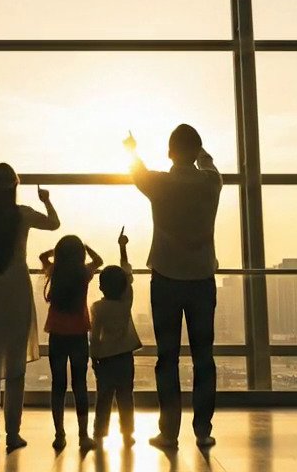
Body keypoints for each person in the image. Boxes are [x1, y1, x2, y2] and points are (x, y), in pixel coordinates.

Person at [123, 125, 221, 450]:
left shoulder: (159, 183)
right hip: (202, 279)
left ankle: (169, 433)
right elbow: (208, 163)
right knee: (203, 358)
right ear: (196, 152)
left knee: (168, 358)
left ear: (169, 153)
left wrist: (132, 147)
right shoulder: (211, 183)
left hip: (165, 279)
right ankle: (203, 430)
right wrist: (202, 153)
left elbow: (135, 169)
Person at [0, 163, 61, 453]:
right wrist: (47, 201)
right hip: (16, 288)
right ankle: (13, 432)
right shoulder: (24, 214)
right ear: (14, 187)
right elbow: (54, 224)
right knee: (15, 367)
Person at [39, 235, 103, 452]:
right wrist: (87, 247)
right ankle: (83, 436)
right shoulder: (83, 273)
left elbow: (41, 256)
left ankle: (59, 435)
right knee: (79, 385)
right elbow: (99, 260)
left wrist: (54, 253)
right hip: (78, 334)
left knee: (58, 384)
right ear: (80, 255)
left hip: (56, 333)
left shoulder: (55, 271)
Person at [90, 228, 142, 446]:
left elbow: (94, 336)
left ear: (101, 286)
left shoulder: (98, 308)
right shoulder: (125, 302)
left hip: (105, 359)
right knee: (125, 397)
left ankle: (100, 433)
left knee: (103, 398)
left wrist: (94, 357)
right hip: (125, 358)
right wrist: (122, 248)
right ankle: (127, 434)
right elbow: (127, 274)